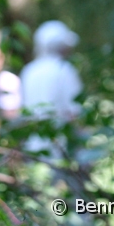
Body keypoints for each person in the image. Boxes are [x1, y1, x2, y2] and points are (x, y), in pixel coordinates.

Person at [20, 20, 82, 158]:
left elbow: (25, 113)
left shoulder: (29, 71)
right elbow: (74, 111)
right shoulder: (64, 69)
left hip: (34, 149)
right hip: (62, 149)